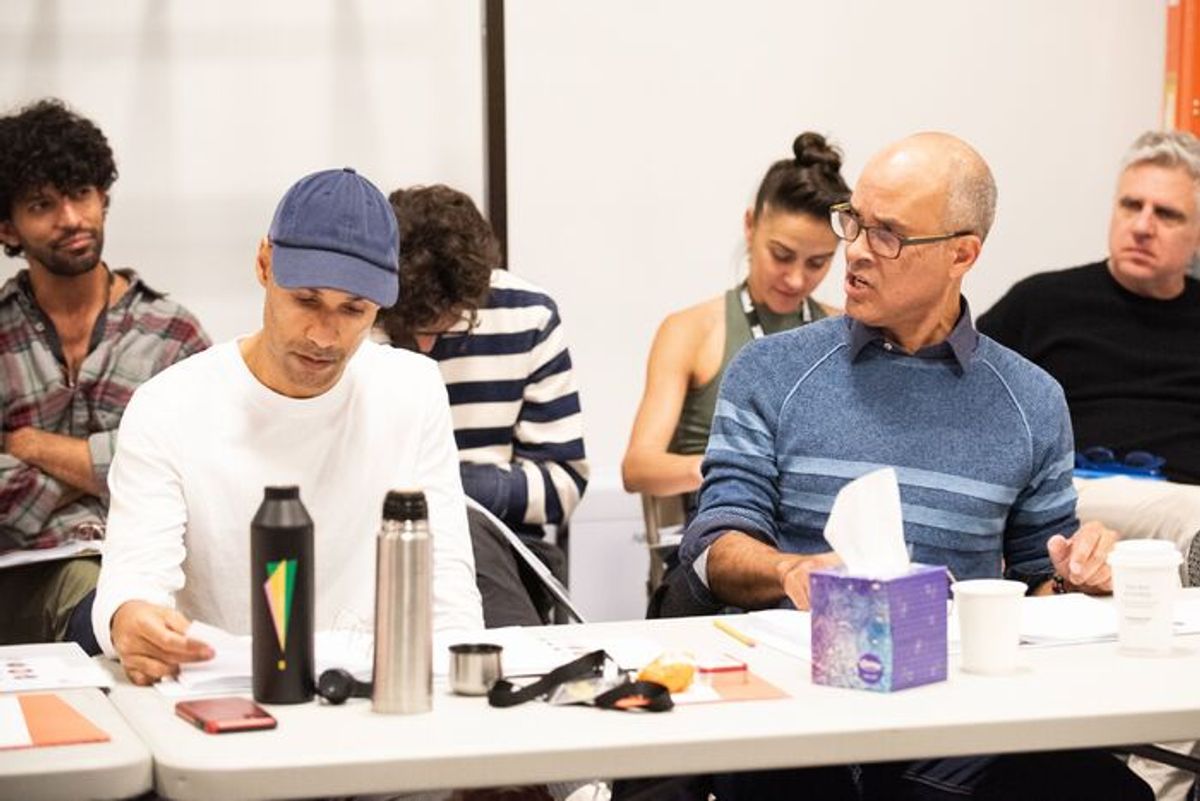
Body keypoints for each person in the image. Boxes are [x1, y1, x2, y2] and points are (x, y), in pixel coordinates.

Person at [677, 133, 1151, 801]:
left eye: (889, 235)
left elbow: (1038, 586)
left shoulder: (1031, 400)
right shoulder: (772, 371)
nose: (857, 250)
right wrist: (790, 570)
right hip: (796, 710)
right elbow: (713, 546)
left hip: (955, 720)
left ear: (963, 254)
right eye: (855, 221)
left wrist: (1079, 574)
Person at [92, 168, 483, 685]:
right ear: (264, 263)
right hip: (227, 694)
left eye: (353, 310)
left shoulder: (411, 390)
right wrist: (131, 620)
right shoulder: (169, 407)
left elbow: (448, 589)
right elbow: (134, 577)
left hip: (376, 696)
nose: (324, 335)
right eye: (306, 300)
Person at [978, 129, 1200, 801]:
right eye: (1131, 204)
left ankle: (1156, 776)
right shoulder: (1044, 302)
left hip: (1180, 504)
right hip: (1072, 497)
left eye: (1167, 213)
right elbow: (962, 394)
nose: (1142, 224)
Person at [0, 98, 209, 648]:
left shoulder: (171, 333)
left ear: (104, 199)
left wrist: (32, 446)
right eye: (42, 205)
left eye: (81, 194)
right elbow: (158, 465)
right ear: (8, 229)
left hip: (149, 571)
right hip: (22, 582)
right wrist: (123, 466)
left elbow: (202, 467)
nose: (71, 218)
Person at [622, 132, 850, 501]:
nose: (796, 279)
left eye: (817, 263)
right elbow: (638, 468)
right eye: (781, 255)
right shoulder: (691, 331)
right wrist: (732, 467)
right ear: (750, 225)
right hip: (723, 522)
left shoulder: (844, 331)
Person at [376, 185, 588, 541]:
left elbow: (563, 484)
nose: (425, 348)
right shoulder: (358, 315)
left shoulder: (528, 315)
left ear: (476, 295)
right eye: (407, 329)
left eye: (446, 325)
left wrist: (444, 486)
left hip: (494, 537)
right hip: (378, 534)